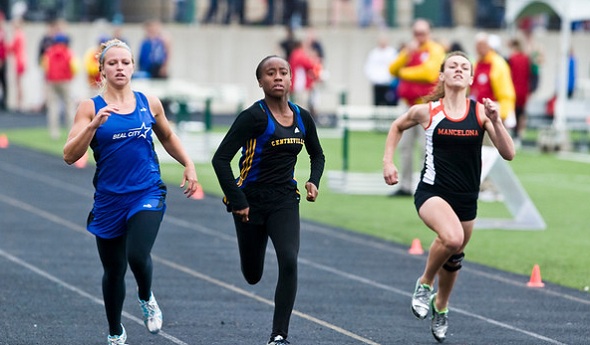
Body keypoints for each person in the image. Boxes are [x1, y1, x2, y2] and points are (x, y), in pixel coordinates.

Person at [62, 39, 199, 345]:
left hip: (146, 191)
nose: (120, 67)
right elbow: (70, 155)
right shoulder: (90, 108)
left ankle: (147, 297)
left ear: (134, 67)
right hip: (110, 199)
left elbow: (167, 136)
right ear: (103, 70)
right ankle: (115, 332)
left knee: (137, 255)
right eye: (113, 63)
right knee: (113, 271)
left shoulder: (148, 103)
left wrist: (188, 163)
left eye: (125, 62)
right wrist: (93, 126)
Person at [383, 51, 515, 343]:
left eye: (464, 67)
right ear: (442, 75)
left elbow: (509, 153)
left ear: (470, 78)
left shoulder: (480, 112)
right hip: (433, 192)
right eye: (452, 66)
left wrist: (497, 121)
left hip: (466, 197)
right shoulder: (427, 111)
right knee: (452, 238)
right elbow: (397, 127)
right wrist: (388, 162)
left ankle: (441, 306)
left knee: (454, 257)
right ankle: (424, 283)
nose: (458, 70)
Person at [211, 55, 325, 345]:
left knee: (289, 260)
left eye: (283, 72)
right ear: (260, 82)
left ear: (290, 79)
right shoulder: (253, 117)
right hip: (249, 201)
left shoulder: (302, 117)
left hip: (285, 199)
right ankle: (251, 260)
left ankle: (278, 335)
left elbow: (317, 154)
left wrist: (313, 180)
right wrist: (238, 201)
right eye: (270, 73)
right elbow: (221, 159)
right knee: (252, 274)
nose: (277, 77)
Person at [388, 18, 445, 196]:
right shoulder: (410, 50)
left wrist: (404, 73)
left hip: (427, 106)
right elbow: (392, 69)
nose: (419, 37)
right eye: (416, 33)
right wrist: (406, 54)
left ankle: (425, 184)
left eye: (423, 33)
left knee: (425, 147)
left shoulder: (435, 49)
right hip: (408, 104)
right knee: (405, 147)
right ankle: (405, 185)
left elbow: (429, 74)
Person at [471, 32, 516, 127]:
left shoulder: (498, 64)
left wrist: (503, 113)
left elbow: (505, 91)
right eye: (478, 45)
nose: (480, 48)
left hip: (493, 109)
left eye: (483, 45)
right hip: (478, 111)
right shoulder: (476, 63)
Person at [42, 33, 77, 140]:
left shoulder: (49, 52)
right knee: (69, 106)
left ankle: (54, 133)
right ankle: (72, 131)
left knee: (53, 107)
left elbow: (45, 66)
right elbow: (75, 67)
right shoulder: (68, 52)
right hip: (65, 81)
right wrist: (71, 76)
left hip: (52, 81)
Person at [507, 38, 531, 146]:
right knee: (520, 113)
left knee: (514, 112)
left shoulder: (512, 58)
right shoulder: (526, 58)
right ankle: (518, 135)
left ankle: (513, 134)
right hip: (523, 90)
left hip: (513, 89)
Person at [364, 34, 398, 106]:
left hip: (389, 84)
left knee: (390, 104)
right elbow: (369, 67)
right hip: (377, 83)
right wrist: (373, 78)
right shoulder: (374, 53)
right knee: (377, 104)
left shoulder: (392, 52)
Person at [8, 17, 26, 112]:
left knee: (18, 83)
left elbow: (12, 47)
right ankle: (20, 103)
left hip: (19, 61)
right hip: (21, 60)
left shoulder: (17, 34)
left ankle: (19, 104)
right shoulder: (21, 34)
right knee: (19, 83)